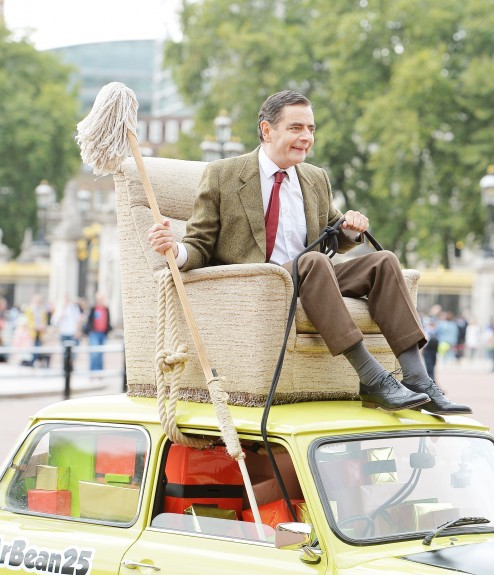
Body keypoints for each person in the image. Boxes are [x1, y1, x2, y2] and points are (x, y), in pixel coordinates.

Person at [148, 90, 470, 415]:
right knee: (312, 262)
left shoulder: (315, 178)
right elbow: (200, 245)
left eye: (311, 129)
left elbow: (333, 235)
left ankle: (417, 379)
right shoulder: (223, 175)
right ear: (266, 130)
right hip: (259, 282)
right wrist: (173, 250)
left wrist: (348, 229)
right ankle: (372, 376)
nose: (306, 138)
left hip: (311, 277)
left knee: (384, 262)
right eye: (296, 128)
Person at [85, 292, 111, 372]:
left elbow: (108, 321)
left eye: (102, 299)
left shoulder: (106, 309)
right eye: (99, 299)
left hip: (103, 333)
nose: (100, 300)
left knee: (100, 354)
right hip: (94, 333)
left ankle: (100, 372)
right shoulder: (93, 309)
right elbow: (89, 321)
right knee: (94, 353)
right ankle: (93, 371)